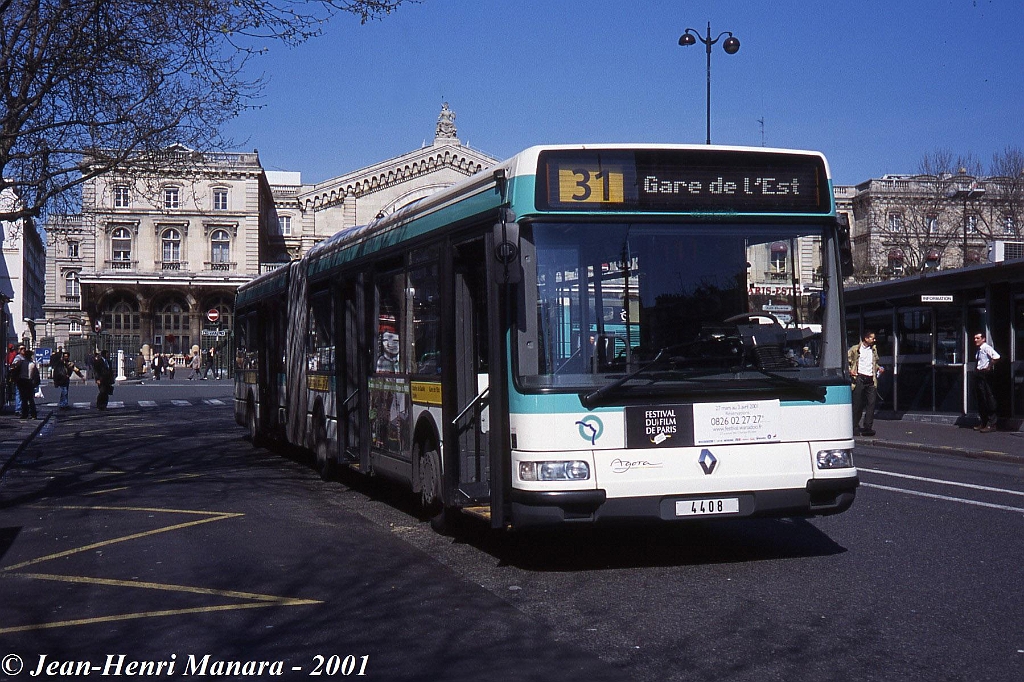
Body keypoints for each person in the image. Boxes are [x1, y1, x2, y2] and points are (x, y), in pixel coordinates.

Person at [848, 330, 884, 437]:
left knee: (871, 403)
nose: (874, 340)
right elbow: (846, 361)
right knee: (858, 404)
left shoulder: (873, 350)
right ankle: (854, 426)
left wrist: (879, 368)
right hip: (859, 378)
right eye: (872, 338)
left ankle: (868, 427)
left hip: (871, 379)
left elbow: (874, 363)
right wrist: (850, 371)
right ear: (866, 338)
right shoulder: (855, 349)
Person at [972, 332, 1001, 432]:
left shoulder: (986, 348)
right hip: (979, 375)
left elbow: (996, 357)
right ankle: (983, 422)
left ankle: (992, 424)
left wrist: (989, 366)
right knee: (981, 399)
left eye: (978, 338)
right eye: (975, 338)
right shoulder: (979, 350)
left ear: (983, 339)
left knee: (988, 398)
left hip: (985, 375)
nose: (975, 340)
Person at [15, 348, 40, 419]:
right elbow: (35, 374)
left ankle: (24, 414)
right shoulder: (32, 364)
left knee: (23, 399)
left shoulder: (21, 363)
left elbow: (15, 369)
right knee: (30, 399)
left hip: (22, 381)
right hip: (29, 382)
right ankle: (33, 414)